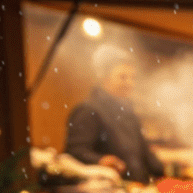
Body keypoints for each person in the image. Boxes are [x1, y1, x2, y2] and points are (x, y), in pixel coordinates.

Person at [65, 45, 164, 183]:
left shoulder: (129, 113)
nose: (130, 83)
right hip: (107, 192)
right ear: (104, 78)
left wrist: (164, 173)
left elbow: (144, 153)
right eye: (123, 77)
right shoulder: (88, 110)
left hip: (137, 189)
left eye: (132, 78)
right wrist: (100, 160)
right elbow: (75, 152)